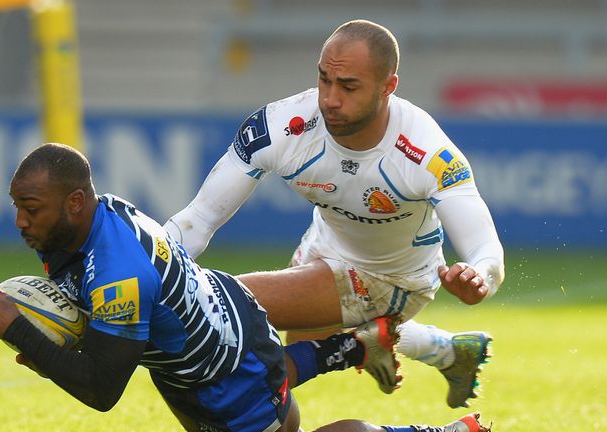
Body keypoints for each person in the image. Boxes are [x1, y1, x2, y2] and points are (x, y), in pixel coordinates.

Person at [0, 144, 490, 432]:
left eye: (30, 209)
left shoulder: (117, 273)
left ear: (74, 202)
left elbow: (103, 391)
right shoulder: (94, 219)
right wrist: (46, 340)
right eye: (17, 207)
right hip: (217, 329)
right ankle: (348, 346)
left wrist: (16, 328)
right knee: (274, 402)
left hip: (220, 368)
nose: (20, 222)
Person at [164, 19, 505, 408]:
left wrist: (479, 277)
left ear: (388, 86)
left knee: (227, 311)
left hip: (394, 279)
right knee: (283, 356)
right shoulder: (283, 126)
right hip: (323, 247)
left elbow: (486, 250)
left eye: (348, 86)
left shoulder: (427, 153)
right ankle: (439, 349)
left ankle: (364, 346)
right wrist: (149, 274)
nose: (329, 98)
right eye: (324, 79)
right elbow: (200, 218)